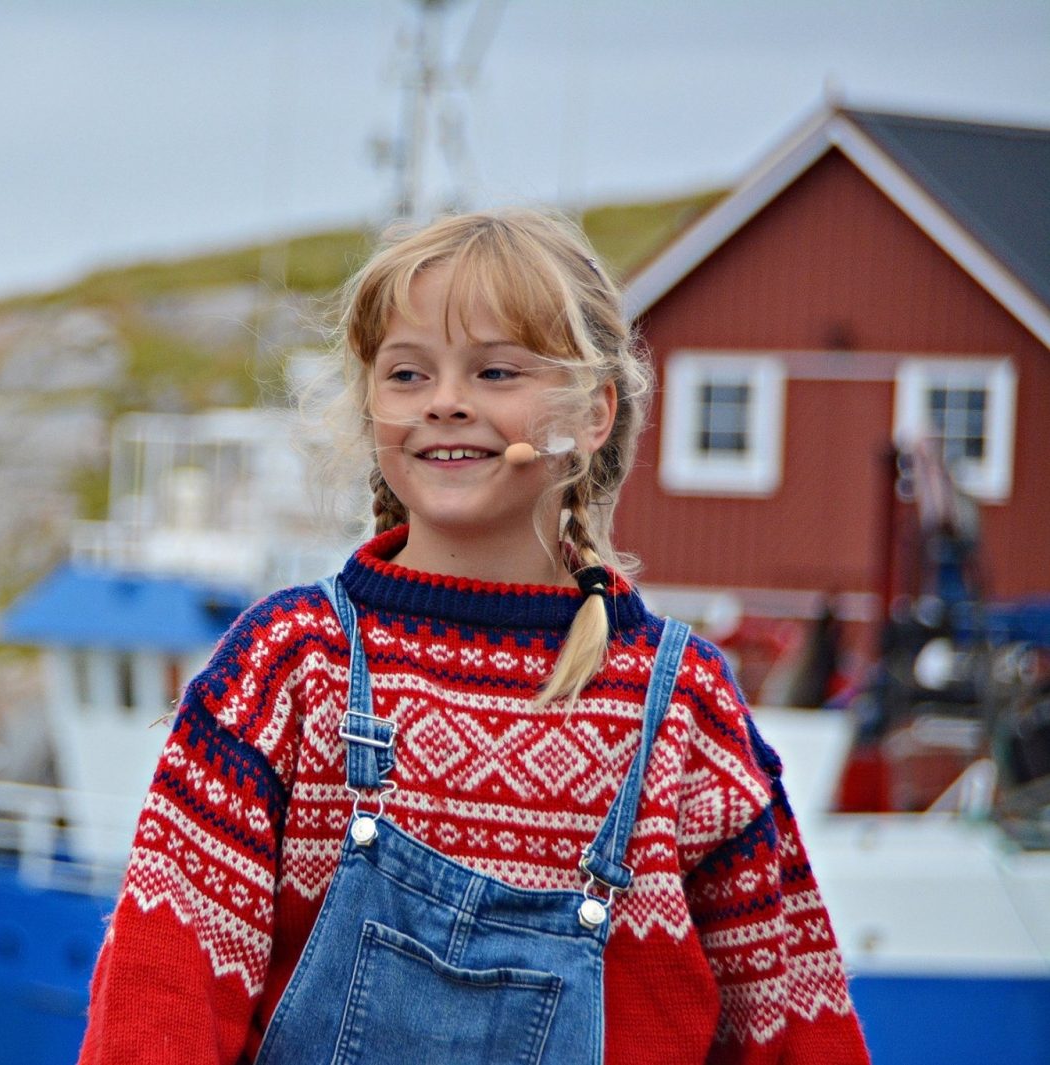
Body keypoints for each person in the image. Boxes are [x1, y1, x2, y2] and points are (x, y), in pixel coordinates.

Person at [77, 209, 869, 1064]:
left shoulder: (680, 710)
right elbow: (158, 1002)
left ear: (592, 414)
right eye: (407, 373)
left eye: (494, 371)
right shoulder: (283, 673)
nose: (445, 402)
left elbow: (797, 1030)